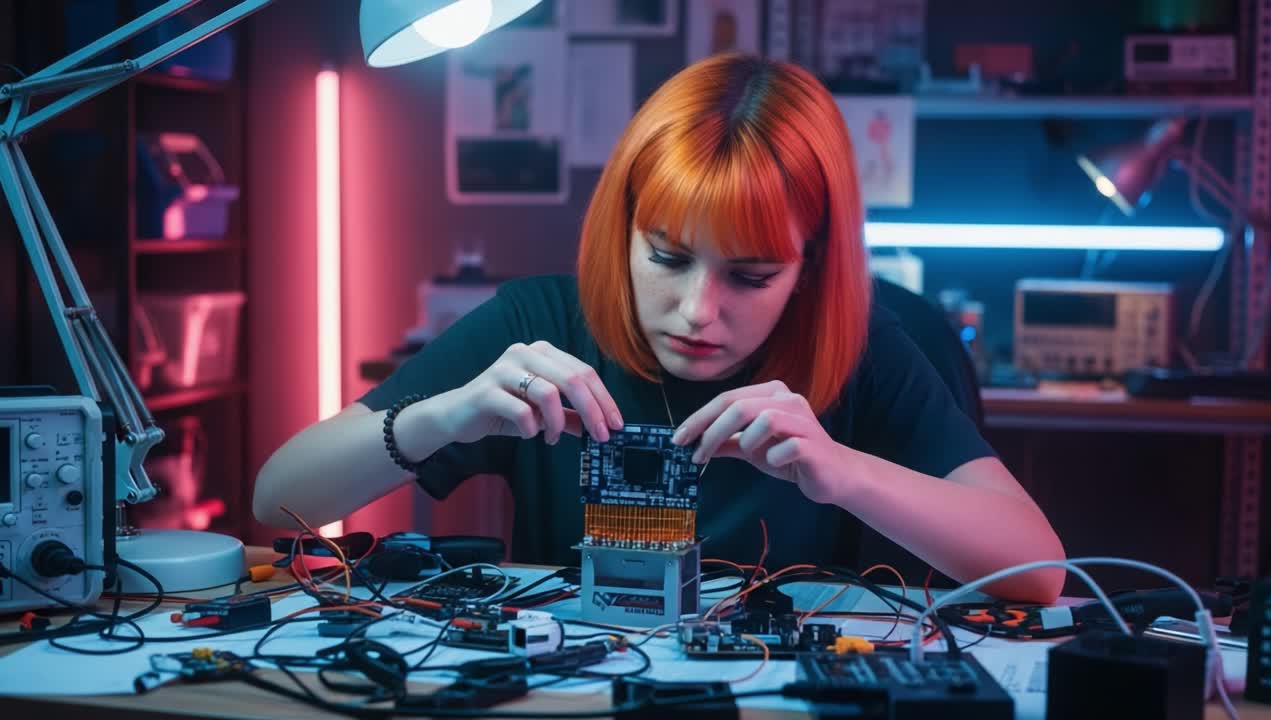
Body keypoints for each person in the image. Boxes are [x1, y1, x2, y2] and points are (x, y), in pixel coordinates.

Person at [254, 53, 1065, 603]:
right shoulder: (539, 325)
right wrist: (440, 417)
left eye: (751, 276)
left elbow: (1041, 572)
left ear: (812, 266)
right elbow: (277, 496)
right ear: (624, 229)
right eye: (668, 257)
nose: (697, 311)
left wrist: (844, 470)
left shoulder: (863, 345)